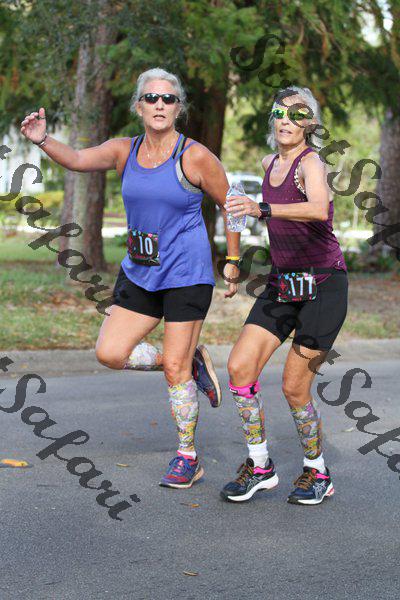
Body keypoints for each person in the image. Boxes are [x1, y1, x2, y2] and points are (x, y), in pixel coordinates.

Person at [20, 67, 241, 490]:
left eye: (168, 99)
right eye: (151, 98)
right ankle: (190, 359)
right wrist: (43, 140)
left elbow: (231, 203)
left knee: (173, 368)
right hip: (140, 271)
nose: (160, 105)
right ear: (139, 106)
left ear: (178, 108)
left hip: (185, 273)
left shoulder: (194, 156)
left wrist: (232, 259)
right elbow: (78, 160)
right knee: (110, 353)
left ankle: (187, 456)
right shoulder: (125, 150)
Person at [220, 85, 348, 505]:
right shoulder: (268, 162)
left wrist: (263, 209)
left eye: (297, 114)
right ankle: (259, 466)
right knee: (240, 368)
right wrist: (233, 260)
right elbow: (235, 208)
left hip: (323, 286)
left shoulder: (311, 163)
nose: (286, 121)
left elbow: (318, 208)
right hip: (283, 282)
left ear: (310, 123)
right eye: (280, 113)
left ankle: (317, 470)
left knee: (295, 388)